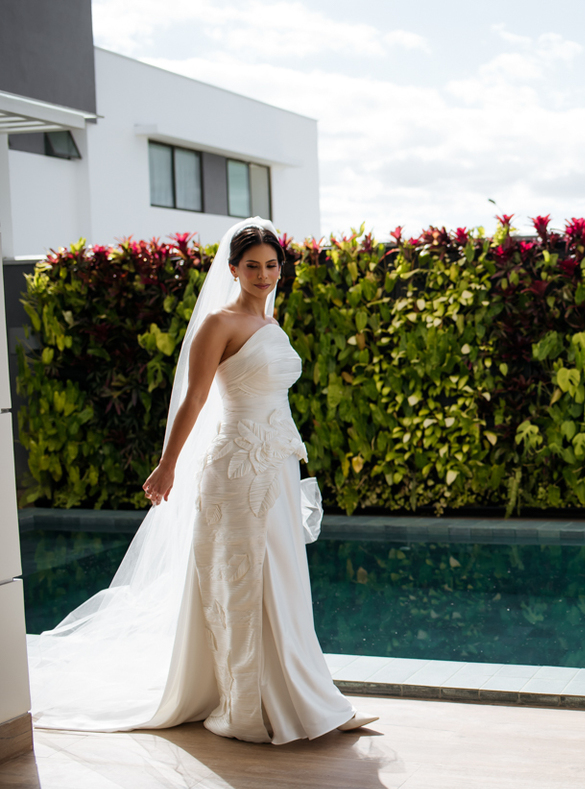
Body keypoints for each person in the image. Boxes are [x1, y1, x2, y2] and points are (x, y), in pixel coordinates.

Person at [28, 217, 376, 743]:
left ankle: (307, 698)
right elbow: (194, 399)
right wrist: (167, 465)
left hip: (276, 468)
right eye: (252, 266)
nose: (263, 275)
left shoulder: (272, 324)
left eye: (271, 265)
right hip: (236, 469)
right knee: (244, 583)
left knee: (283, 583)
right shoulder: (219, 323)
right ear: (233, 269)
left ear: (281, 269)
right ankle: (250, 706)